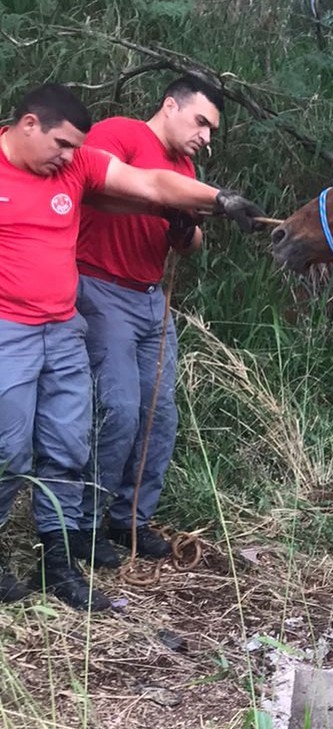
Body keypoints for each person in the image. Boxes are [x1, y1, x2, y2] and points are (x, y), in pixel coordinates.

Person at [0, 82, 263, 611]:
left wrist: (217, 199)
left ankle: (57, 562)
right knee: (10, 448)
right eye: (61, 144)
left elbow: (148, 182)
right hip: (12, 329)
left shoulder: (76, 165)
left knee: (69, 444)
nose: (69, 156)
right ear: (28, 125)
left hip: (63, 326)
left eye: (74, 148)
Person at [75, 74, 224, 565]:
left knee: (159, 415)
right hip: (101, 286)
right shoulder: (121, 133)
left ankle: (130, 519)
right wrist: (167, 201)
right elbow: (94, 186)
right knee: (118, 409)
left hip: (150, 298)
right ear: (170, 106)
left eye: (211, 130)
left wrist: (183, 228)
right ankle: (84, 524)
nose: (205, 136)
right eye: (200, 122)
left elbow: (194, 243)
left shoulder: (185, 167)